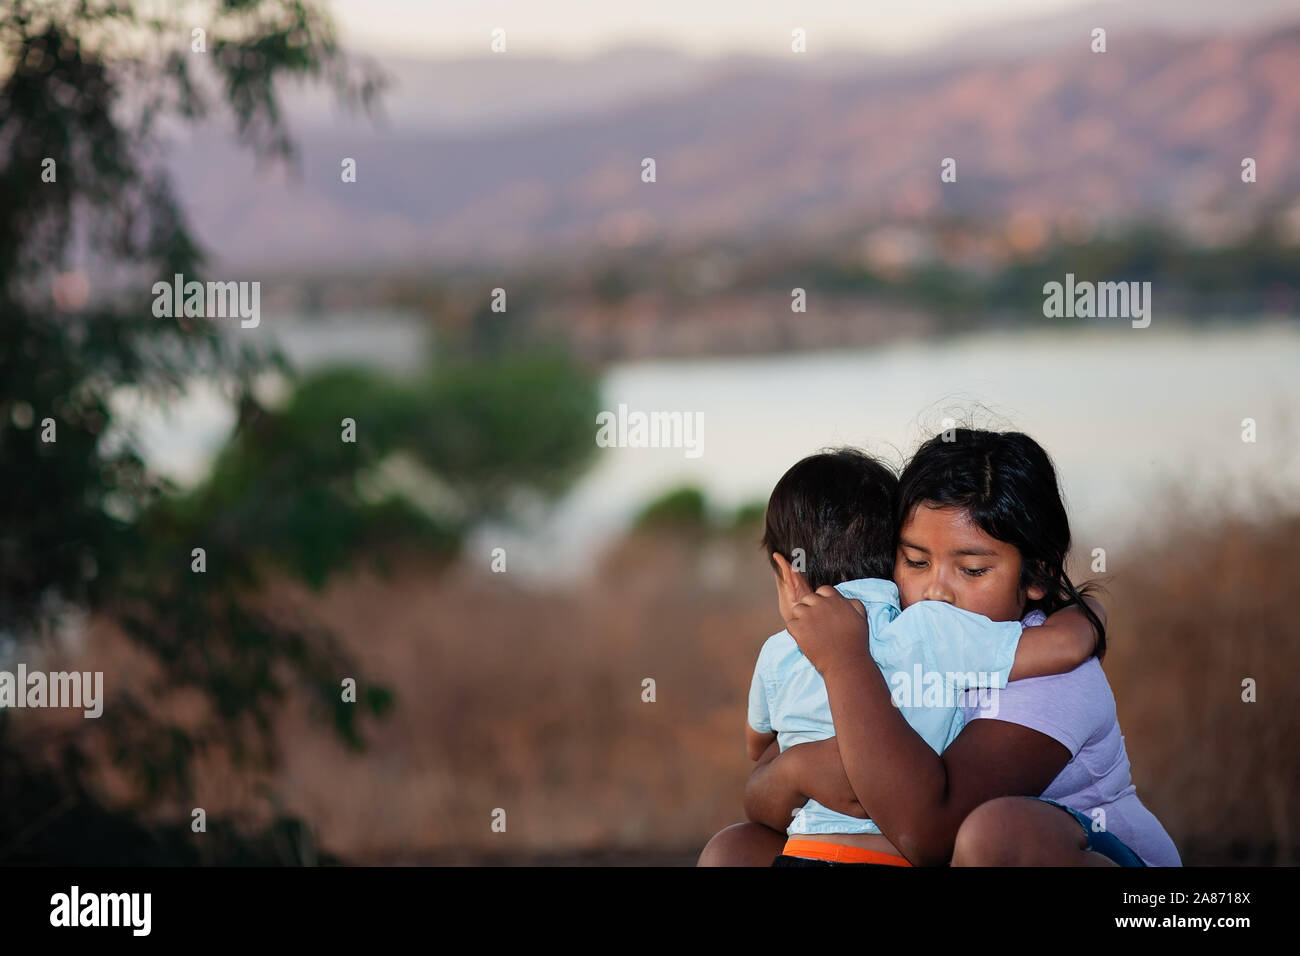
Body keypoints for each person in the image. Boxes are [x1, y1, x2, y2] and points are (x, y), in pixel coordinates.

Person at [719, 447, 1104, 867]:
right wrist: (797, 768)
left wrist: (846, 661)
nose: (936, 591)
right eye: (916, 562)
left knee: (992, 835)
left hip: (1082, 845)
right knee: (733, 849)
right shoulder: (903, 633)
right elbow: (759, 790)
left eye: (973, 569)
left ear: (1039, 573)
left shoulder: (1045, 676)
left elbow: (927, 836)